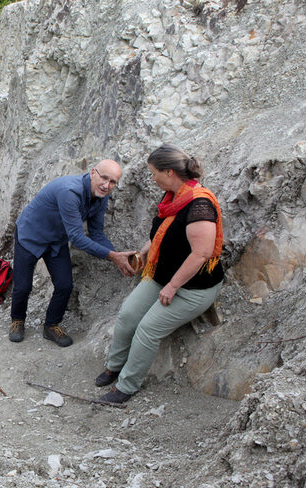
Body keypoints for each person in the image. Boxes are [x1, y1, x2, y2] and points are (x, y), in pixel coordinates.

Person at [95, 145, 224, 403]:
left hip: (192, 287)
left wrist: (173, 286)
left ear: (169, 171)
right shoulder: (172, 197)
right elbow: (160, 235)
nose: (152, 178)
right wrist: (144, 253)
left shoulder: (199, 205)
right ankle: (115, 366)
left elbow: (200, 254)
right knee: (128, 314)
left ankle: (126, 386)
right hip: (162, 275)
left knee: (147, 329)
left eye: (154, 173)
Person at [9, 160, 136, 346]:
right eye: (104, 178)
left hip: (56, 240)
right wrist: (112, 257)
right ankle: (17, 320)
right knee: (23, 286)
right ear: (93, 172)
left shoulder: (101, 196)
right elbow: (76, 237)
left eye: (113, 182)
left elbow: (97, 233)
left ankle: (51, 325)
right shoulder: (70, 191)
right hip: (31, 235)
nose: (107, 185)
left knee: (65, 285)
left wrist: (118, 256)